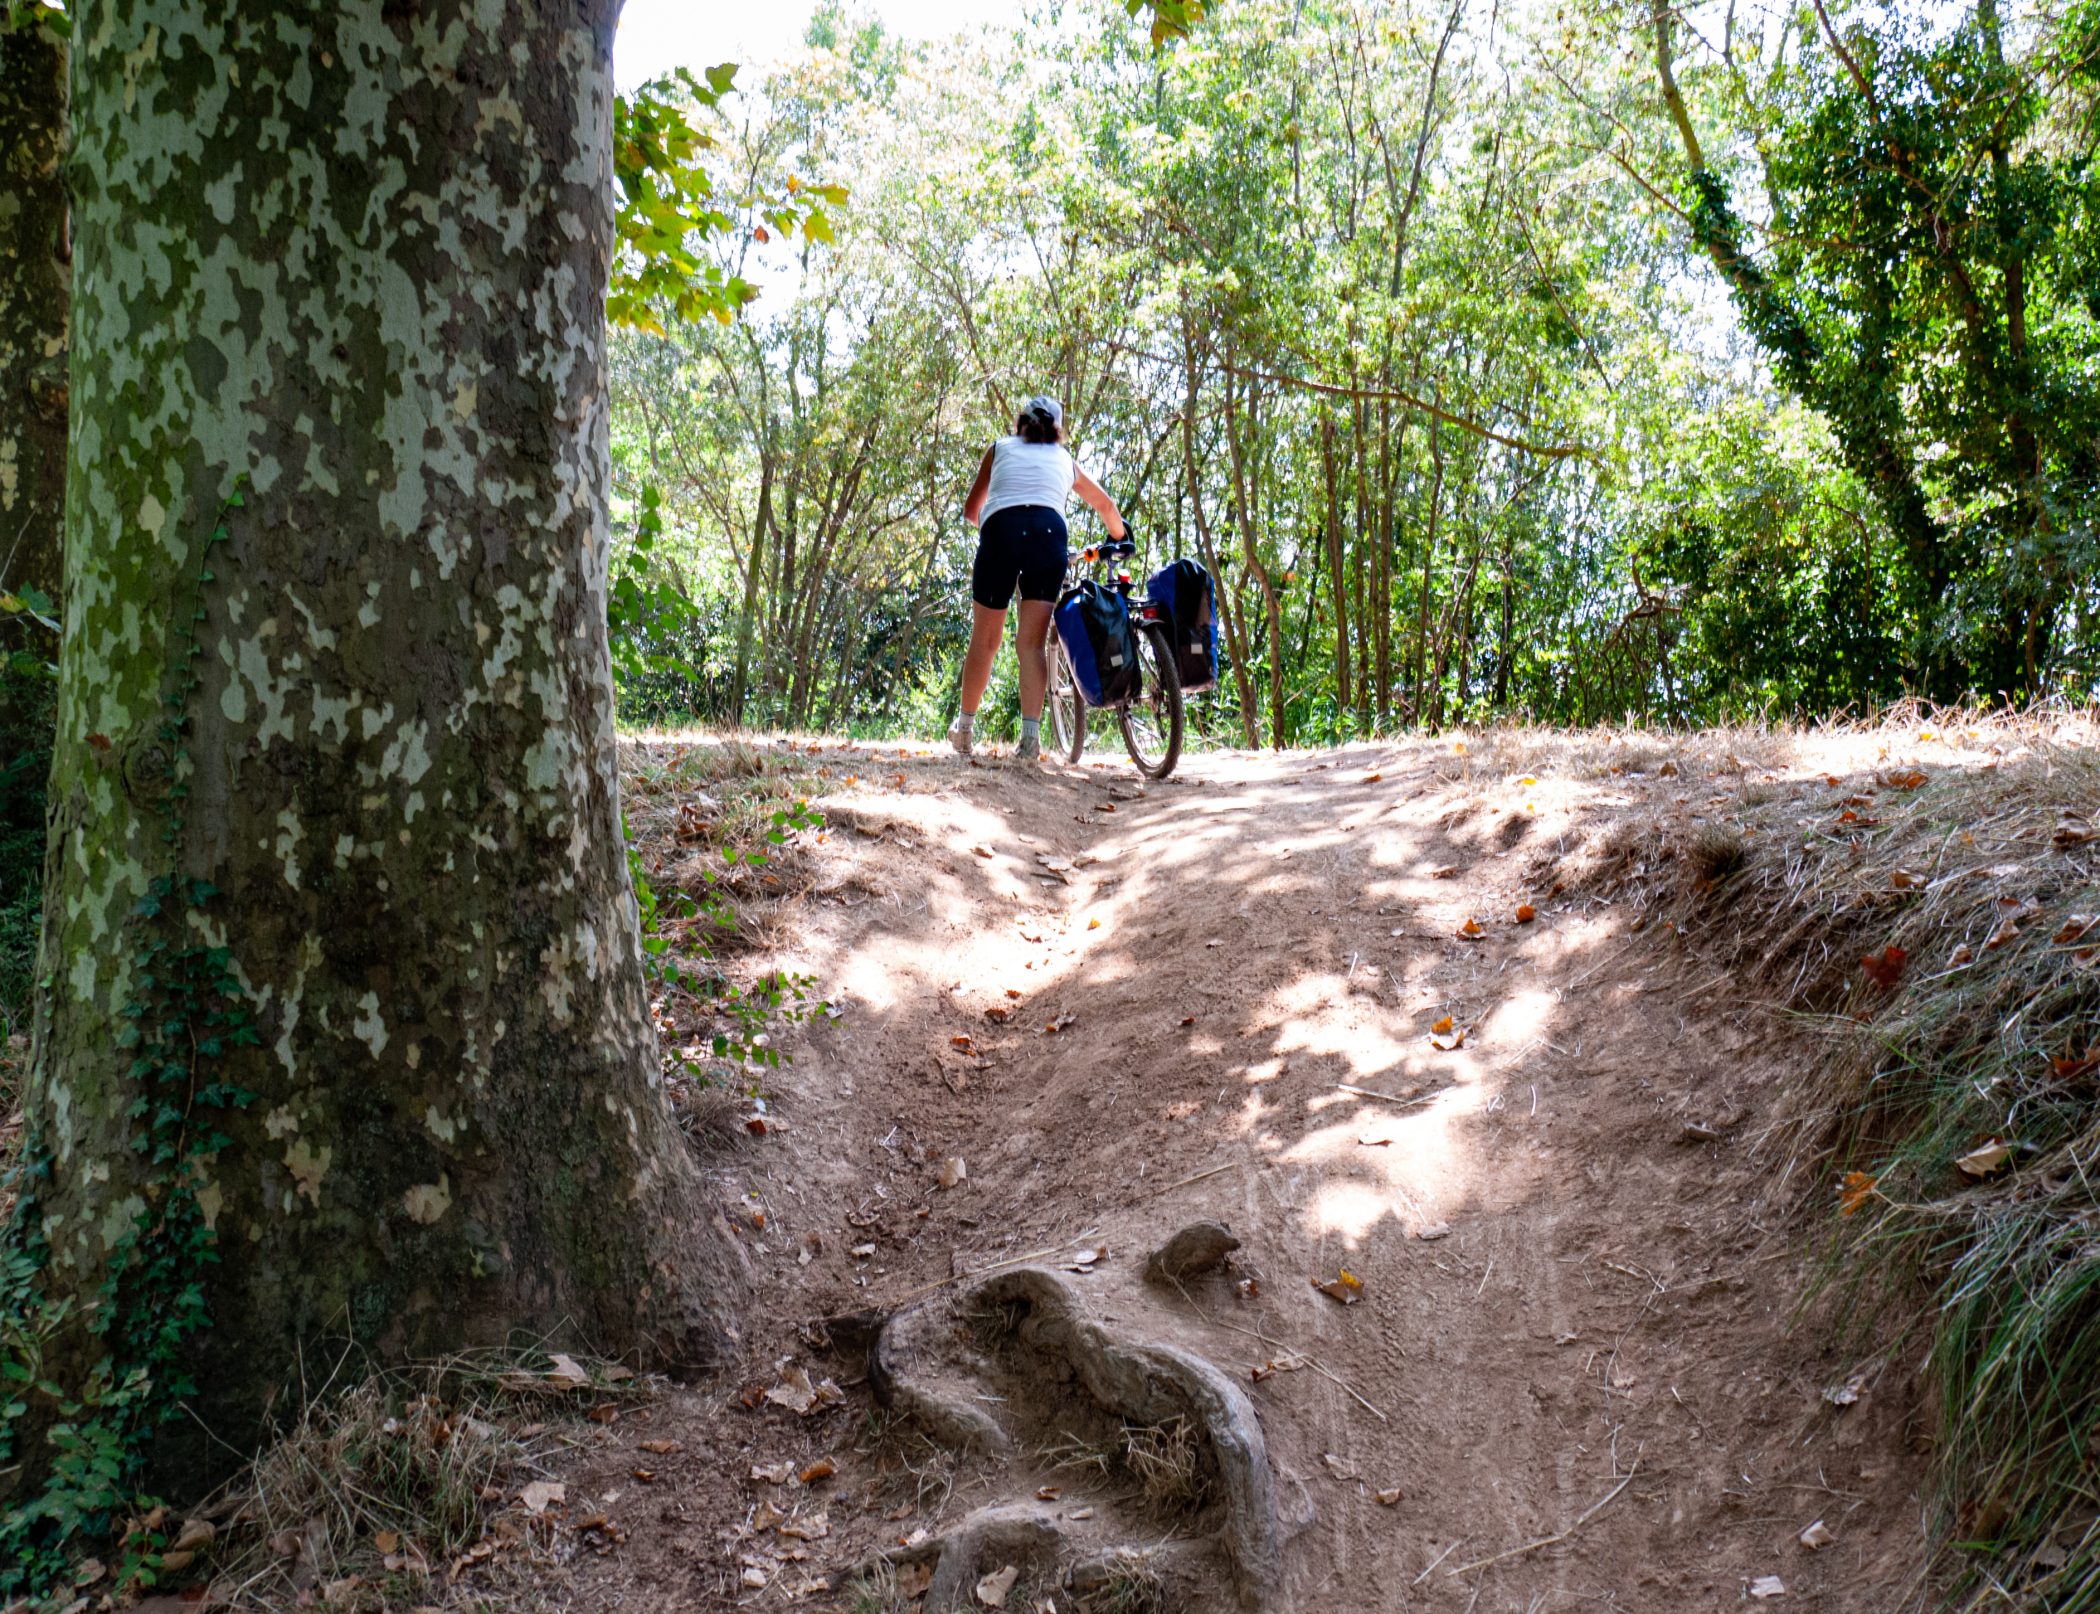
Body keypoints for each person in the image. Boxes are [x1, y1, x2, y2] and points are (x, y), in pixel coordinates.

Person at [953, 395, 1127, 762]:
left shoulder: (999, 448)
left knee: (984, 640)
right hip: (1049, 535)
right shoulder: (1065, 459)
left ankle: (964, 732)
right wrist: (1118, 538)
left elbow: (971, 511)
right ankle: (1030, 742)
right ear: (1057, 429)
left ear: (1021, 423)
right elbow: (1106, 506)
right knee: (1030, 645)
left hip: (1000, 529)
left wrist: (998, 526)